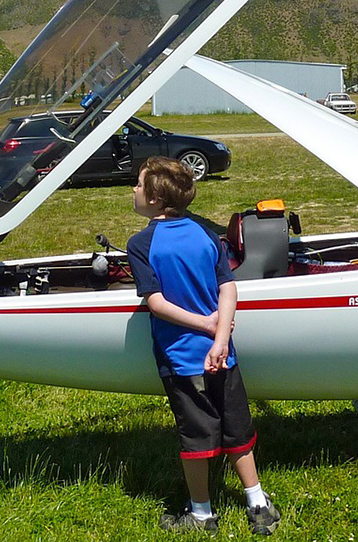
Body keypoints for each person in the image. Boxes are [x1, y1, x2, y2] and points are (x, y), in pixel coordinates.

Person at [126, 156, 280, 535]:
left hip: (182, 360)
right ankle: (257, 502)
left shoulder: (141, 244)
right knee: (237, 431)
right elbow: (228, 286)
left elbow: (155, 302)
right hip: (224, 356)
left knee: (196, 436)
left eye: (139, 184)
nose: (134, 189)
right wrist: (221, 336)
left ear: (156, 200)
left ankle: (201, 513)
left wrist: (205, 325)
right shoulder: (205, 235)